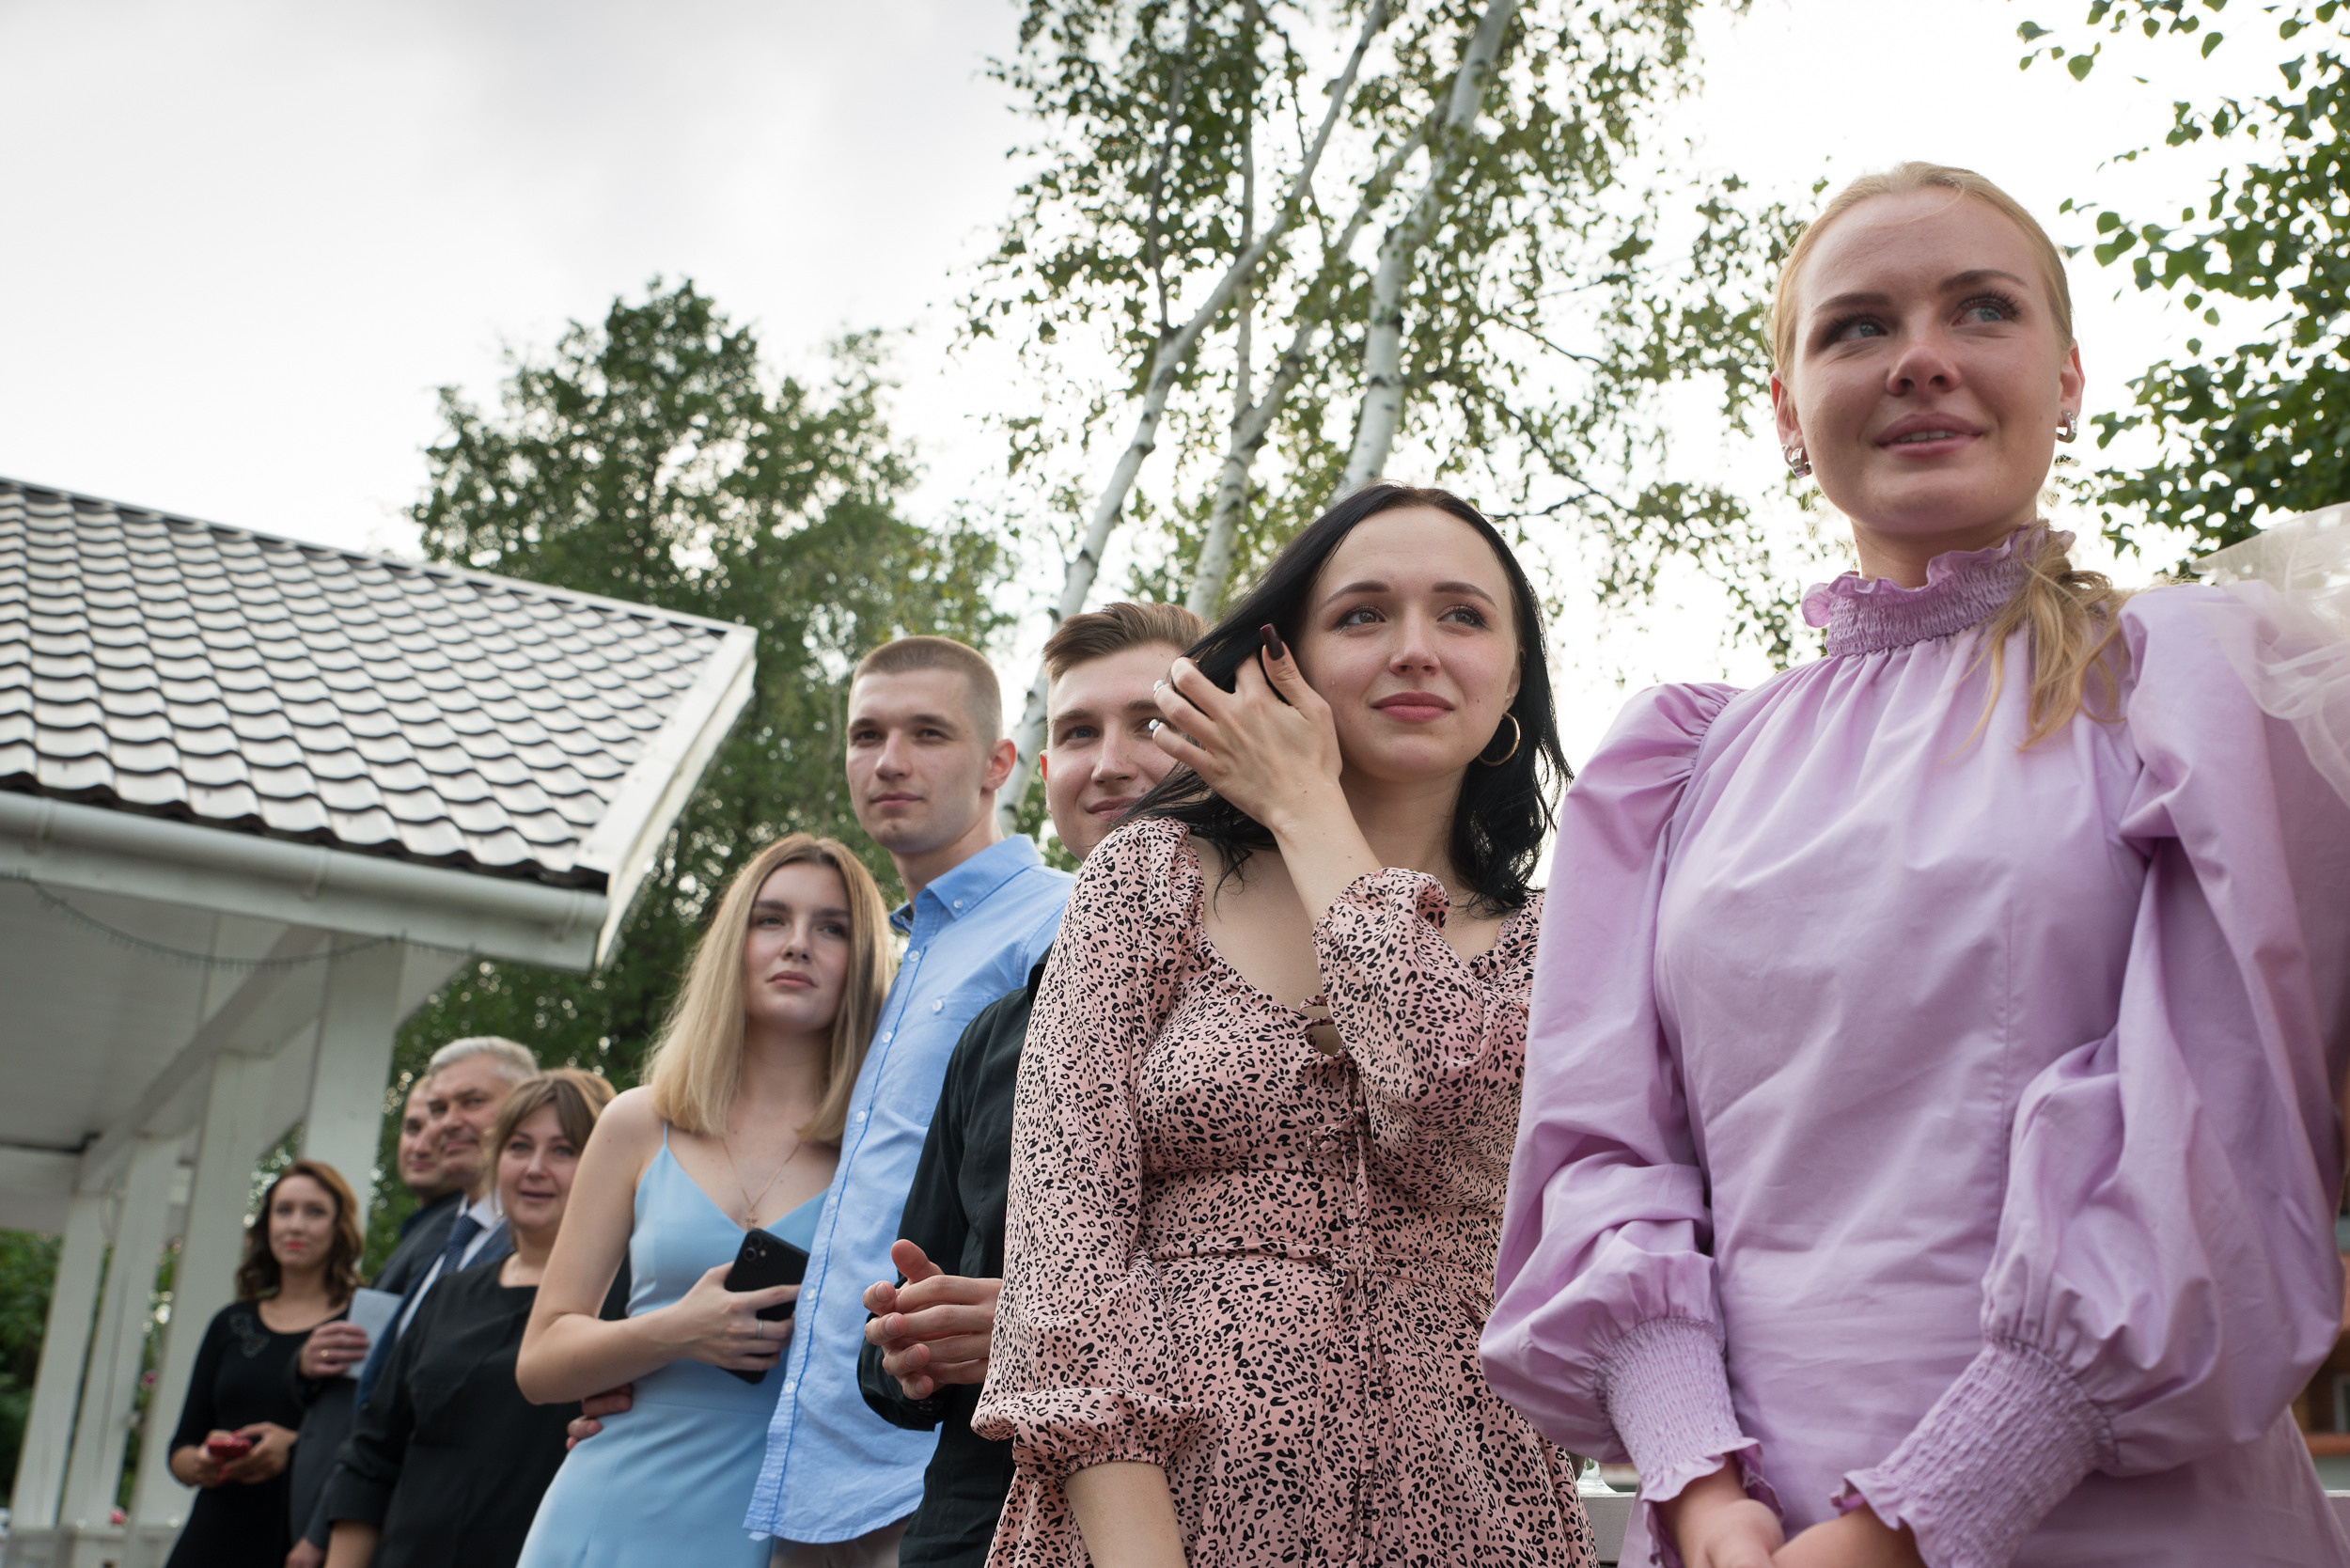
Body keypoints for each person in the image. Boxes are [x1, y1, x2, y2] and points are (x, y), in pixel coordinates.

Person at [1480, 163, 2350, 1568]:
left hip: (2110, 1515)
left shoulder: (2203, 691)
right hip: (1740, 1530)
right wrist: (1698, 1486)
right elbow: (1606, 1154)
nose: (1923, 361)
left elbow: (2229, 1131)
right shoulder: (1676, 768)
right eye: (1859, 326)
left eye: (1981, 310)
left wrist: (1927, 1512)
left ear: (2067, 378)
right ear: (1786, 409)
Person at [973, 486, 1597, 1566]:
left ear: (1512, 680)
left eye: (1461, 615)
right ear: (1281, 663)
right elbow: (1061, 1263)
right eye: (1362, 615)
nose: (1413, 649)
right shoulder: (1149, 877)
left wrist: (1313, 817)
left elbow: (1450, 1115)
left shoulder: (1569, 939)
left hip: (1474, 1514)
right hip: (1151, 1522)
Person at [857, 602, 1203, 1568]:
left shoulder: (1289, 1003)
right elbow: (883, 1366)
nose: (1110, 761)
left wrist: (1027, 1324)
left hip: (1204, 1519)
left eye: (1152, 722)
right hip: (971, 1528)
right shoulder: (995, 1033)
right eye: (1078, 732)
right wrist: (910, 1342)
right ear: (1045, 776)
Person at [721, 635, 1073, 1566]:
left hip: (937, 1474)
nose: (889, 761)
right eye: (866, 734)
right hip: (812, 1466)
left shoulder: (1056, 922)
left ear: (1001, 762)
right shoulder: (891, 965)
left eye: (927, 733)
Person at [511, 834, 895, 1568]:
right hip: (606, 1508)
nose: (798, 945)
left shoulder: (883, 1149)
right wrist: (675, 1332)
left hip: (778, 1527)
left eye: (832, 927)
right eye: (771, 919)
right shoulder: (637, 1121)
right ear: (734, 943)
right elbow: (541, 1360)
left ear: (864, 961)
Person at [321, 1070, 622, 1568]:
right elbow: (372, 1456)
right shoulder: (448, 1295)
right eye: (519, 1147)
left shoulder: (630, 1303)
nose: (535, 1169)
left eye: (564, 1151)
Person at [287, 1079, 475, 1567]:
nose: (425, 1140)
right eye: (414, 1125)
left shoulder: (459, 1237)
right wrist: (304, 1365)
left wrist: (321, 1534)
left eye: (444, 1123)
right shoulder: (426, 1232)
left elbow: (392, 1404)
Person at [164, 1160, 364, 1568]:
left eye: (315, 1212)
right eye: (283, 1210)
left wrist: (297, 1446)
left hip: (303, 1544)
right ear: (266, 1223)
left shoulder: (360, 1324)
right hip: (212, 1539)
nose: (295, 1226)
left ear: (339, 1227)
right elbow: (180, 1450)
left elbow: (373, 1445)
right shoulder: (231, 1323)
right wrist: (203, 1463)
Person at [350, 1036, 538, 1404]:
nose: (448, 1123)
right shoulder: (444, 1239)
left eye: (473, 1102)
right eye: (438, 1109)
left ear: (525, 1106)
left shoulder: (542, 1243)